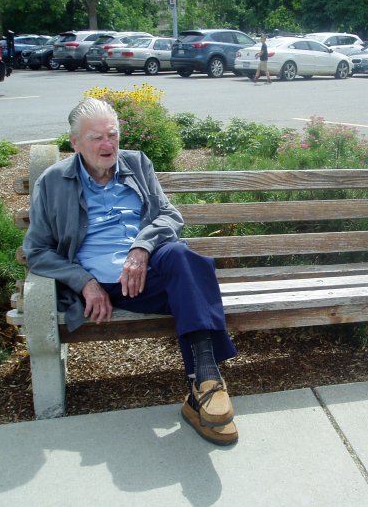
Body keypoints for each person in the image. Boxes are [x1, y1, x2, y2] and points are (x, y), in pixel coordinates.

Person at [23, 97, 239, 445]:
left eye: (113, 135)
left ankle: (204, 382)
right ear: (75, 143)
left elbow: (170, 216)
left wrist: (141, 247)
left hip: (149, 272)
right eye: (97, 138)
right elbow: (37, 250)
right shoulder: (52, 182)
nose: (108, 145)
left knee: (184, 259)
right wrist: (84, 283)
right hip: (108, 285)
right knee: (195, 285)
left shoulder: (137, 164)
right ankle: (205, 389)